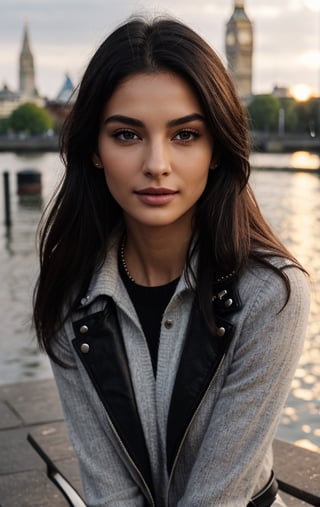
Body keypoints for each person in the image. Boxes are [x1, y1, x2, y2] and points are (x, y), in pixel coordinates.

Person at [33, 16, 310, 507]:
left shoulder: (271, 294)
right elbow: (109, 492)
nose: (156, 163)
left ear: (217, 150)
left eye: (184, 135)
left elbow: (217, 497)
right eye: (126, 135)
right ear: (94, 150)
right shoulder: (67, 295)